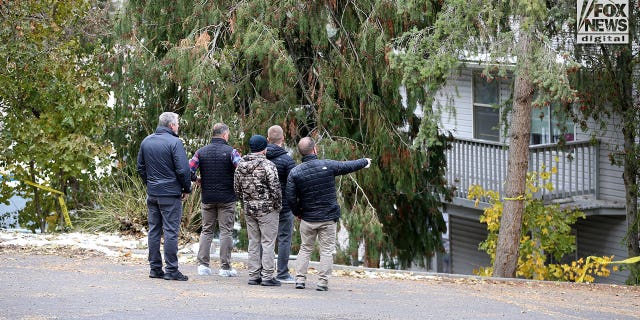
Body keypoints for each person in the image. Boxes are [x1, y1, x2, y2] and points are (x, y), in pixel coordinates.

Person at [286, 137, 371, 291]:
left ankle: (299, 280)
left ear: (300, 153)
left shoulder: (295, 172)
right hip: (327, 218)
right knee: (326, 251)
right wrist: (365, 161)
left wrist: (298, 213)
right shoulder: (327, 165)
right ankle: (322, 283)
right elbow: (348, 166)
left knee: (305, 249)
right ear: (315, 149)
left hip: (308, 218)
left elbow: (291, 197)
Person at [137, 112, 192, 281]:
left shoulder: (146, 141)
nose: (178, 127)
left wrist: (150, 183)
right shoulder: (175, 142)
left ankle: (155, 268)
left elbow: (140, 167)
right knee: (170, 231)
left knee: (154, 230)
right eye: (178, 124)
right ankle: (172, 270)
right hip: (170, 194)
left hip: (153, 193)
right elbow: (183, 170)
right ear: (171, 126)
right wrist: (186, 188)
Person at [189, 123, 242, 277]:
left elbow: (189, 170)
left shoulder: (200, 152)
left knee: (207, 230)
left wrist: (197, 179)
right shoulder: (232, 152)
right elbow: (242, 170)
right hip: (227, 197)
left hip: (207, 197)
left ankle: (203, 265)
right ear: (225, 134)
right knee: (226, 231)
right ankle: (225, 268)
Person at [234, 135, 282, 286]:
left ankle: (254, 275)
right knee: (268, 242)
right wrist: (278, 205)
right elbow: (275, 188)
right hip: (267, 209)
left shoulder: (241, 164)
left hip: (249, 208)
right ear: (264, 149)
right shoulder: (268, 165)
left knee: (253, 241)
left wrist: (245, 201)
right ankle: (267, 276)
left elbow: (236, 188)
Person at [265, 125, 297, 283]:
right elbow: (294, 183)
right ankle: (282, 272)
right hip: (284, 204)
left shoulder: (261, 157)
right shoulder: (287, 160)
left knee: (265, 239)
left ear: (267, 139)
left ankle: (263, 270)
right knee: (284, 238)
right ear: (283, 139)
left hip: (264, 204)